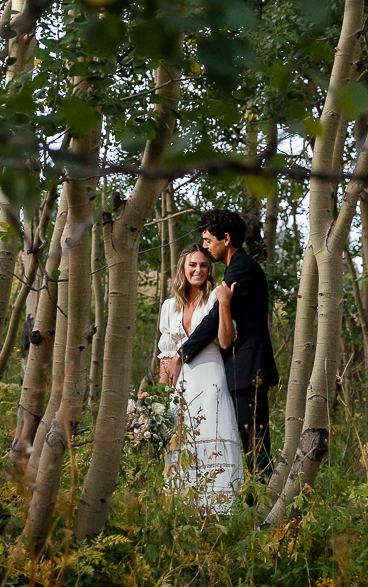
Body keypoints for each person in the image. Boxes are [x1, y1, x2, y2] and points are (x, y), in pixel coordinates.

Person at [175, 209, 279, 480]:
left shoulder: (241, 270)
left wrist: (183, 353)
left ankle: (265, 512)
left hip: (249, 370)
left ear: (226, 239)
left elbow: (212, 321)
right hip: (241, 369)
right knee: (250, 447)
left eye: (209, 240)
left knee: (256, 448)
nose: (206, 246)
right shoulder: (236, 267)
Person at [156, 244, 244, 513]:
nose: (198, 270)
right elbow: (166, 352)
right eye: (192, 265)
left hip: (211, 375)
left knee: (212, 434)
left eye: (204, 265)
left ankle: (219, 508)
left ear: (210, 270)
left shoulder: (215, 299)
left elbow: (227, 341)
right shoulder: (170, 306)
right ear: (183, 268)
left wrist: (226, 304)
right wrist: (161, 397)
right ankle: (182, 505)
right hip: (182, 383)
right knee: (180, 441)